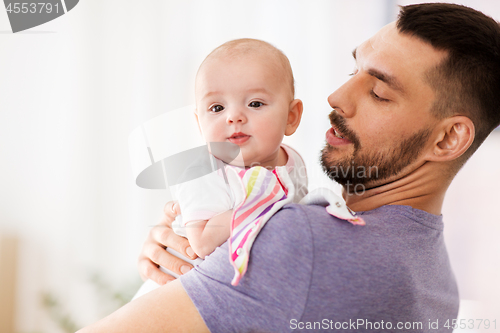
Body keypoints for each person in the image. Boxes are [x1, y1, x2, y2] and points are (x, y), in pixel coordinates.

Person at [78, 3, 500, 332]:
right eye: (353, 70)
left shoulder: (297, 239)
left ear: (449, 138)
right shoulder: (438, 283)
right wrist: (193, 266)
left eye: (377, 91)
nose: (336, 96)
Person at [133, 38, 308, 297]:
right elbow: (202, 243)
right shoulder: (202, 171)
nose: (234, 116)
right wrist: (260, 206)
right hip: (170, 290)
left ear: (291, 117)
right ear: (199, 123)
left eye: (255, 103)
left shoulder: (293, 161)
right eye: (217, 107)